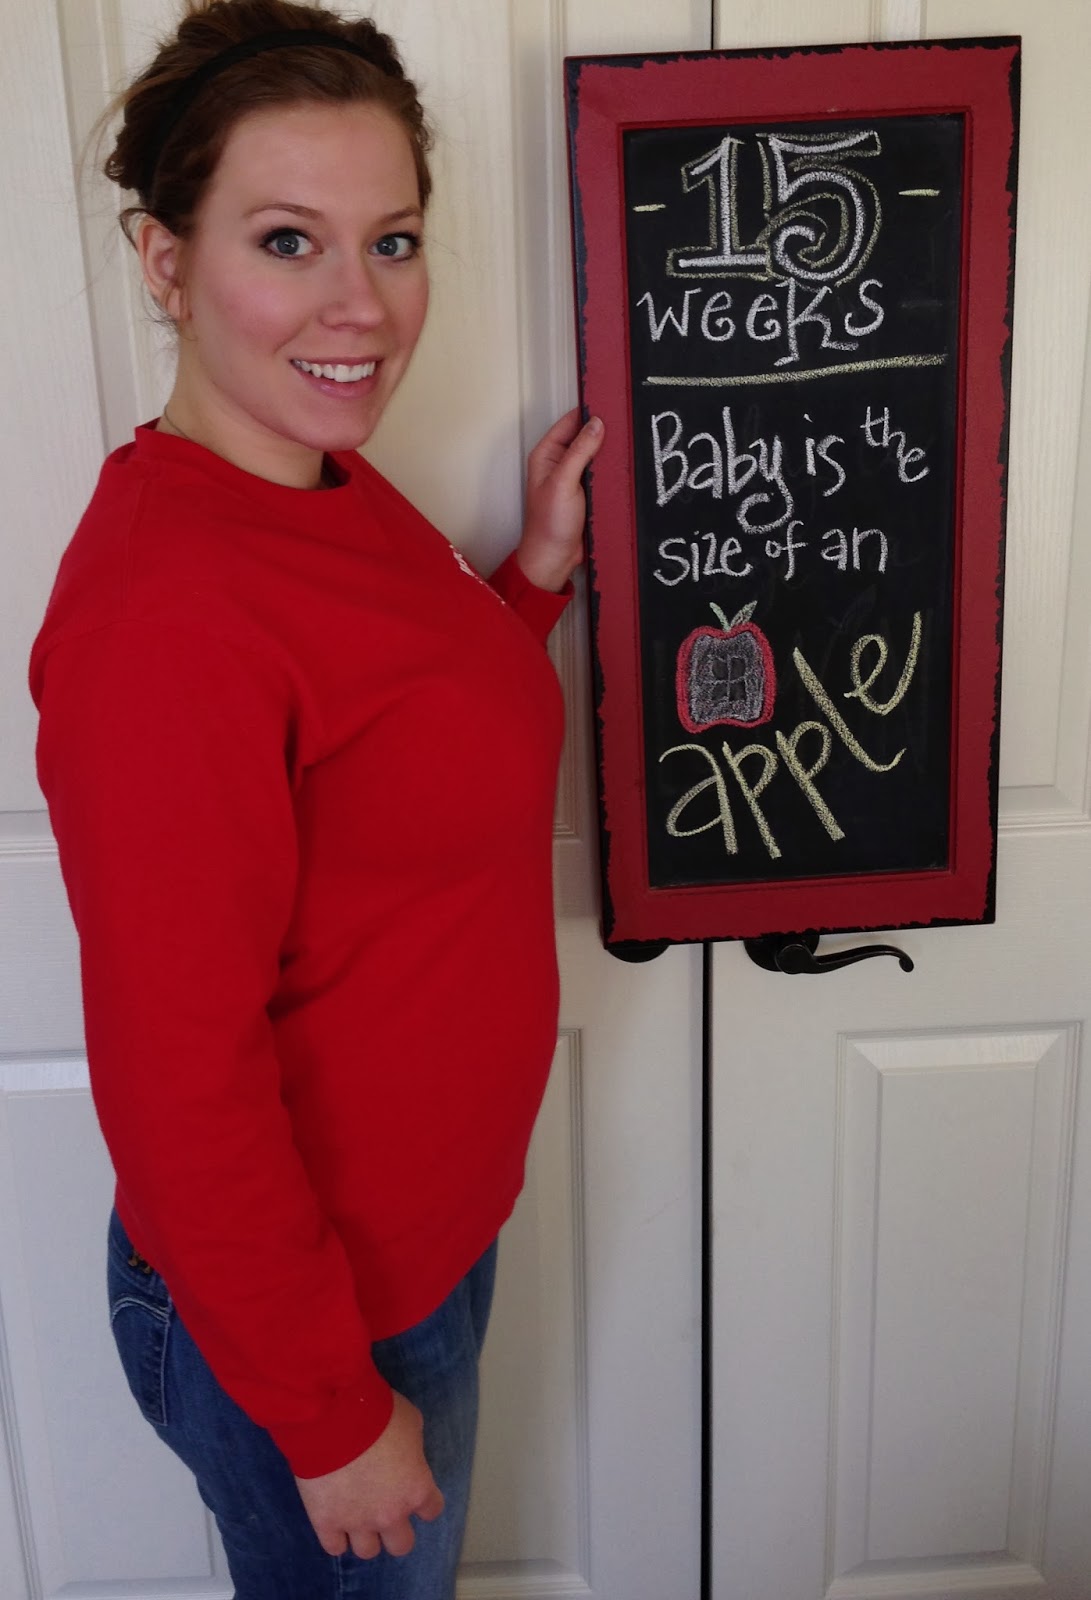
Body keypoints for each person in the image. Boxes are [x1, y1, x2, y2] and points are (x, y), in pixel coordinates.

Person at [28, 2, 603, 1595]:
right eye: (288, 241)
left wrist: (532, 579)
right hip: (314, 1329)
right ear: (164, 262)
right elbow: (177, 1076)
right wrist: (329, 1413)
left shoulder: (322, 478)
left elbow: (388, 749)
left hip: (412, 1254)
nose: (363, 305)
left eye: (393, 240)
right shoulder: (165, 615)